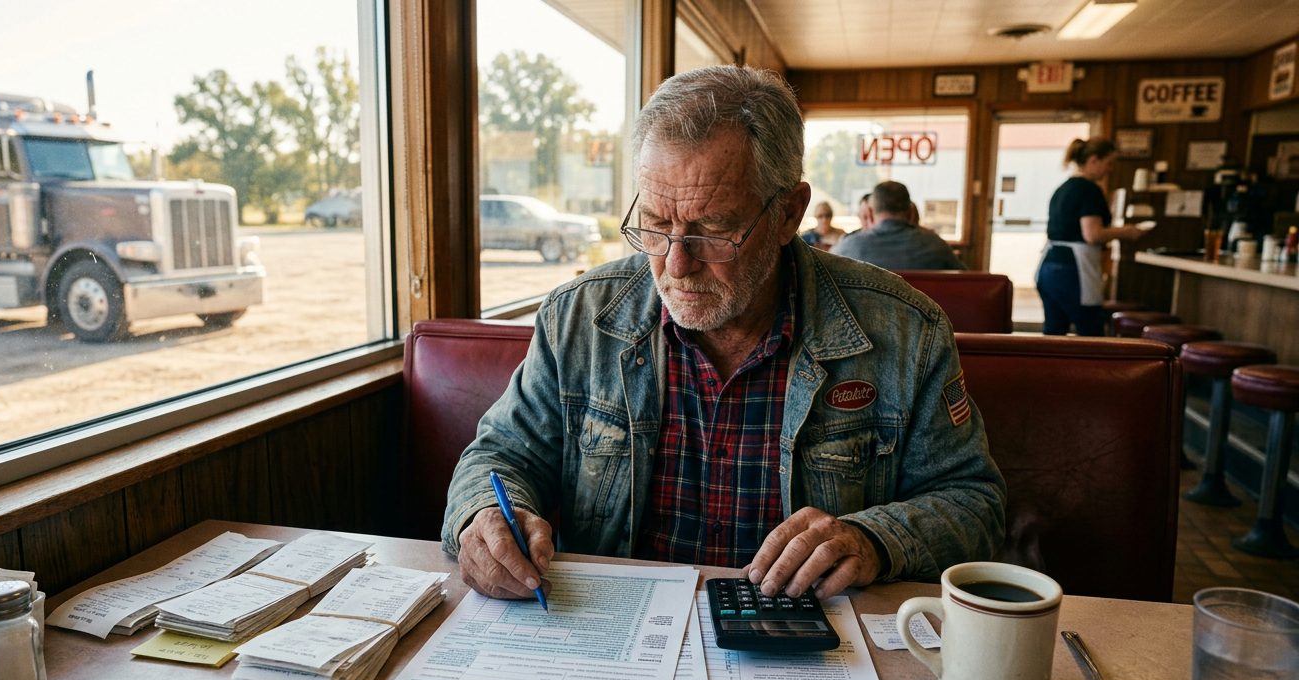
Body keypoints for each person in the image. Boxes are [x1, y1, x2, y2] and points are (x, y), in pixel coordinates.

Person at [442, 65, 1005, 606]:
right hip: (612, 633)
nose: (675, 265)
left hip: (809, 646)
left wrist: (874, 539)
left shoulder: (906, 332)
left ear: (789, 213)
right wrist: (485, 517)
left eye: (712, 231)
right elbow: (501, 456)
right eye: (657, 226)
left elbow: (975, 504)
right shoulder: (579, 318)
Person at [1036, 137, 1143, 336]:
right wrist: (1126, 232)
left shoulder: (1062, 188)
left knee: (1053, 334)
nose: (1109, 169)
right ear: (1094, 160)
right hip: (1073, 270)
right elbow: (1092, 234)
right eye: (1108, 163)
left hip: (1048, 267)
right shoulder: (1089, 190)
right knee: (1091, 334)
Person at [836, 182, 965, 270]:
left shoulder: (847, 247)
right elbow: (964, 280)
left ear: (869, 213)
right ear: (911, 211)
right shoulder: (936, 245)